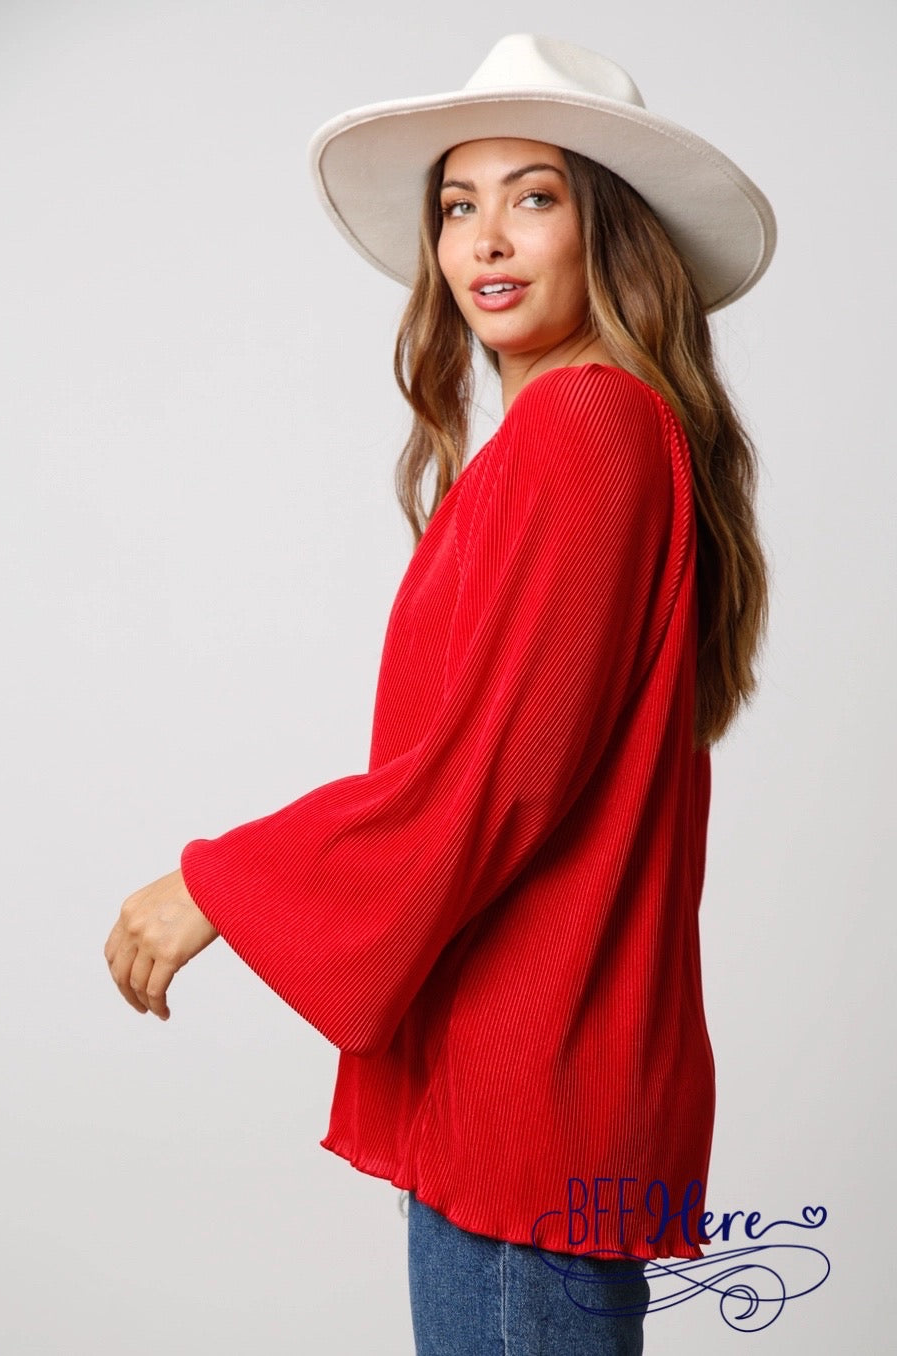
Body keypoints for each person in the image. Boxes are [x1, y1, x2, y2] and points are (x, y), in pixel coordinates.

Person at [104, 34, 775, 1354]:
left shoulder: (589, 428)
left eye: (535, 197)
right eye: (459, 206)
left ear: (610, 230)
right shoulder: (566, 439)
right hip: (531, 1094)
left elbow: (495, 780)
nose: (487, 239)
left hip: (528, 1104)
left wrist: (220, 883)